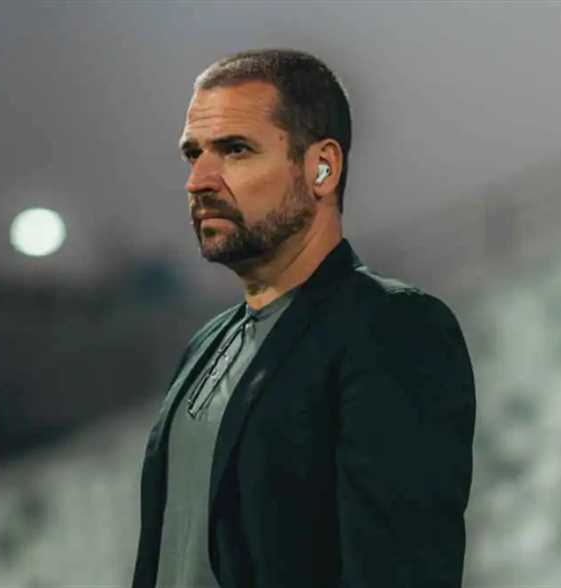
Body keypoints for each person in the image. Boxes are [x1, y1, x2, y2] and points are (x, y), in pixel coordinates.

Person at [131, 49, 476, 588]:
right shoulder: (206, 344)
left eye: (235, 150)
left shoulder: (392, 328)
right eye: (193, 154)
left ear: (322, 167)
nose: (199, 180)